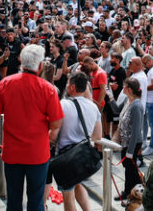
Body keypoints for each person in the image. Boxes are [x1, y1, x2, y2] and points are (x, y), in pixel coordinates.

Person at [0, 43, 62, 211]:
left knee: (13, 199)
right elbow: (56, 123)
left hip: (12, 152)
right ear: (40, 66)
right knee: (35, 200)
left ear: (21, 62)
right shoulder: (48, 89)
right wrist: (47, 137)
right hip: (37, 153)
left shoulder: (6, 83)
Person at [57, 72, 102, 211]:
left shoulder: (62, 105)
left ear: (72, 87)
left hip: (65, 156)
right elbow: (97, 136)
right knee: (78, 183)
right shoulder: (93, 107)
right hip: (82, 155)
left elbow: (54, 130)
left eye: (67, 84)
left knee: (68, 195)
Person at [116, 78, 145, 201]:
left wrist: (130, 151)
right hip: (126, 143)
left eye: (124, 87)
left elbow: (136, 131)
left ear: (129, 89)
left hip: (132, 143)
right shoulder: (128, 102)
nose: (122, 88)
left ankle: (132, 193)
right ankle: (130, 193)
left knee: (131, 170)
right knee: (129, 169)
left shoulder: (137, 105)